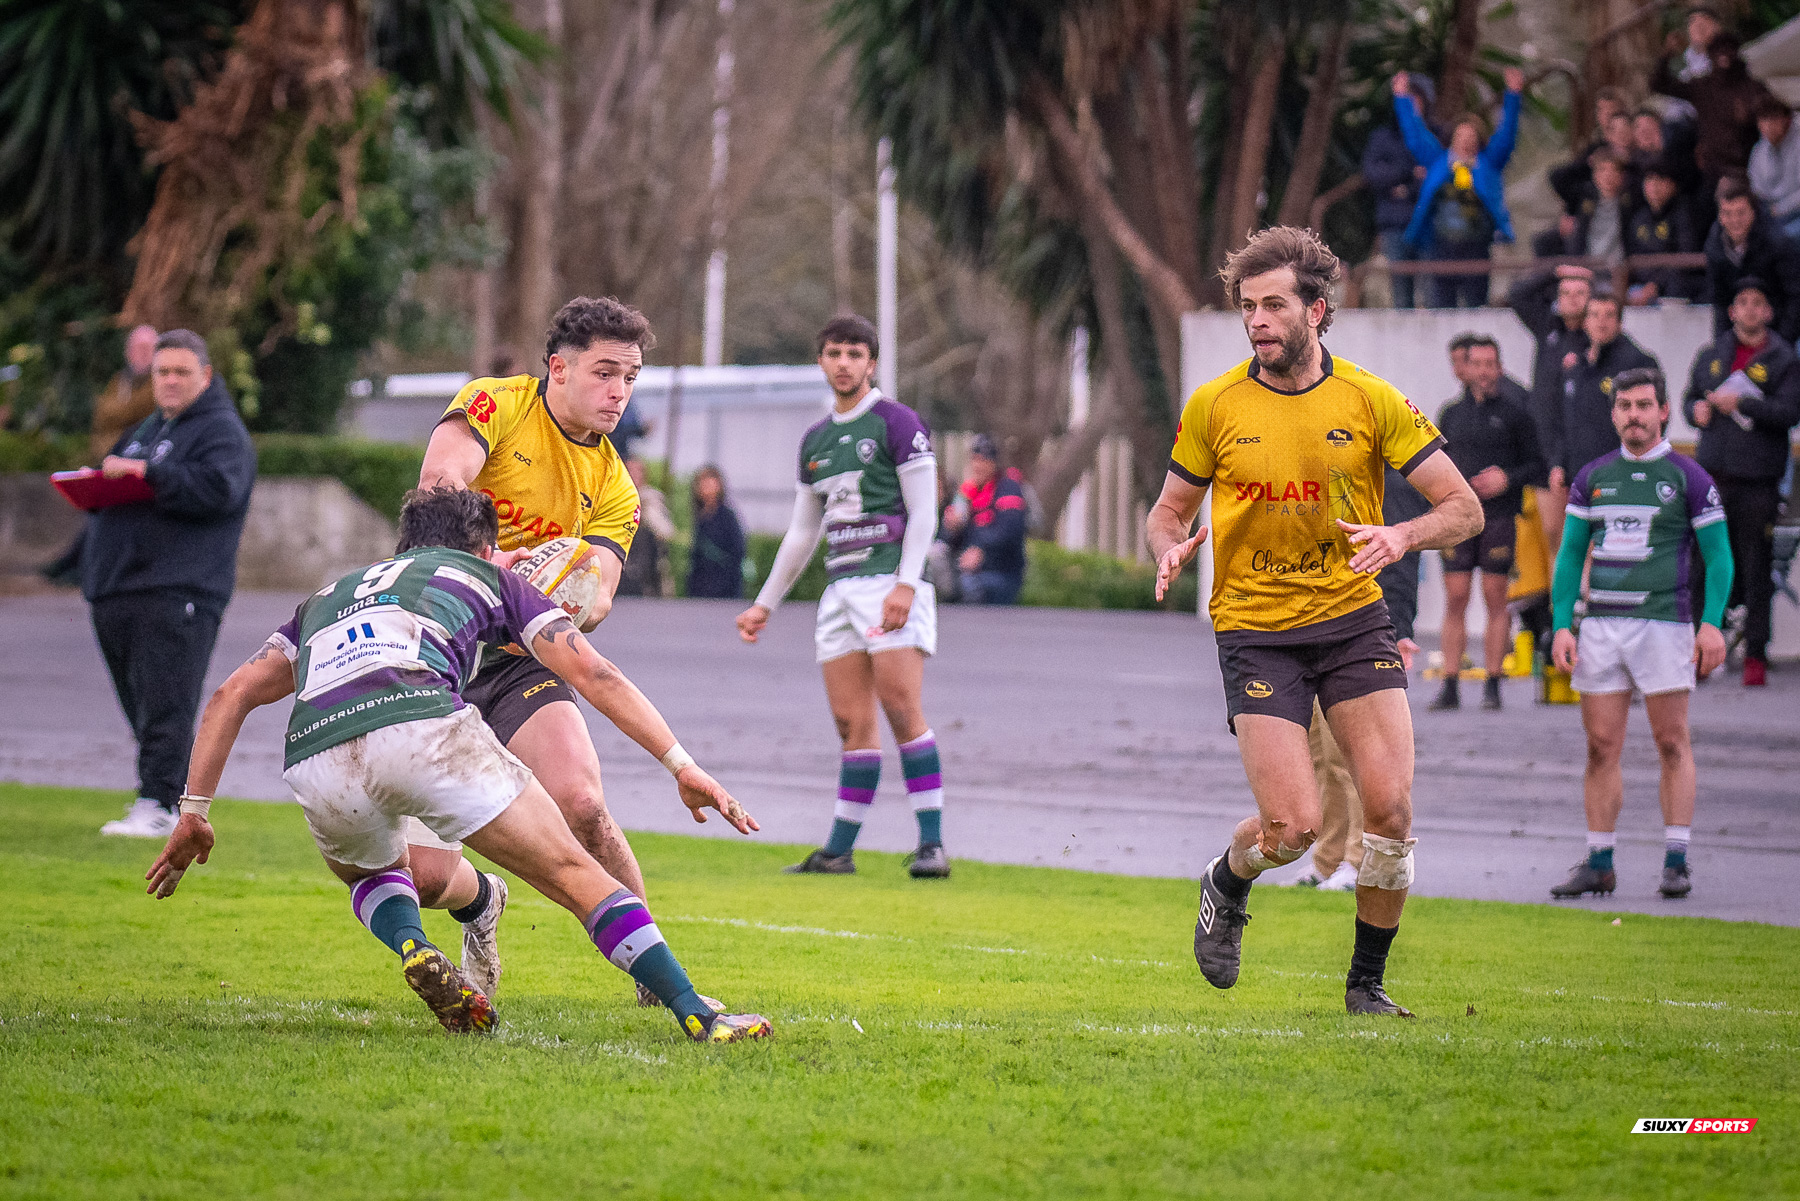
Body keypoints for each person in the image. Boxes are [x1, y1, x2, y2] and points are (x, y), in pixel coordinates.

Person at [144, 486, 772, 1044]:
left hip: (315, 751)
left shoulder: (325, 598)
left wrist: (194, 811)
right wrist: (680, 764)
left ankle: (414, 944)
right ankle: (696, 1012)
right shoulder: (490, 579)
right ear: (483, 546)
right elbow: (595, 672)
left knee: (371, 871)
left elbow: (231, 695)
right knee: (574, 875)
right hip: (422, 727)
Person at [1146, 226, 1483, 1017]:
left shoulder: (1368, 400)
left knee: (1390, 809)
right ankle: (1227, 877)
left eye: (1273, 304)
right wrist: (1168, 550)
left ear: (1316, 310)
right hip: (1256, 629)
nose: (1257, 320)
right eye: (1247, 306)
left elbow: (1463, 507)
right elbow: (1167, 512)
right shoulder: (1216, 404)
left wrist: (1402, 534)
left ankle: (1366, 985)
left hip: (1352, 623)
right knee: (1293, 826)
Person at [411, 296, 653, 1003]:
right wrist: (503, 563)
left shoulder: (614, 484)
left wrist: (569, 590)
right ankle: (480, 898)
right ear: (559, 368)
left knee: (583, 802)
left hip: (521, 658)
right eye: (605, 372)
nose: (619, 392)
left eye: (631, 377)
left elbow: (598, 595)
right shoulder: (496, 405)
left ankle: (651, 965)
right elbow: (439, 487)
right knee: (425, 876)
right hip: (438, 648)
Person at [735, 315, 949, 879]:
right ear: (822, 361)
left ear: (871, 362)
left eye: (856, 353)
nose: (845, 363)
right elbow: (803, 531)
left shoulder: (898, 423)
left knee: (902, 708)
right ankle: (838, 851)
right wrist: (765, 603)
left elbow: (926, 510)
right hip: (840, 591)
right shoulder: (815, 440)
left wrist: (906, 581)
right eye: (834, 353)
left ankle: (932, 845)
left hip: (889, 583)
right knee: (851, 723)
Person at [1548, 368, 1732, 901]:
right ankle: (1600, 861)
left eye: (1644, 405)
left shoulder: (1689, 477)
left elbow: (1719, 558)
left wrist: (1713, 623)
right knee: (1600, 746)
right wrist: (1563, 624)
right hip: (1601, 625)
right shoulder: (1593, 476)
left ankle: (1676, 858)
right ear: (1614, 414)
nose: (1634, 414)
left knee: (1671, 741)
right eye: (1625, 405)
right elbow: (1569, 556)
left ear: (1664, 411)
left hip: (1666, 624)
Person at [84, 330, 256, 838]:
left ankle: (160, 804)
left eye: (182, 372)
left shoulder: (222, 432)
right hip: (119, 588)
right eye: (163, 372)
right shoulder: (145, 430)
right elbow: (112, 486)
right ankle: (164, 795)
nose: (171, 381)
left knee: (168, 702)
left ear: (205, 375)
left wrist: (151, 474)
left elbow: (219, 490)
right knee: (141, 704)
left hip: (179, 590)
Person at [1290, 468, 1429, 892]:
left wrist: (1400, 630)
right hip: (1312, 628)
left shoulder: (1390, 484)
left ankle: (1357, 858)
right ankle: (1327, 858)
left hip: (1363, 636)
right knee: (1318, 753)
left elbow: (1400, 566)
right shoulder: (1329, 479)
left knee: (1352, 756)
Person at [1682, 277, 1800, 686]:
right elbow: (1688, 399)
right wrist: (1695, 409)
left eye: (1757, 303)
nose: (1750, 309)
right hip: (1713, 477)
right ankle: (1700, 648)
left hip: (1759, 480)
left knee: (1755, 567)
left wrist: (1744, 403)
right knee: (1703, 564)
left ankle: (1755, 654)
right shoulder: (1713, 354)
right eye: (1742, 302)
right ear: (1732, 311)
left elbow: (1789, 413)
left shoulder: (1783, 358)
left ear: (1767, 312)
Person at [1429, 334, 1545, 711]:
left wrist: (1507, 479)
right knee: (1456, 596)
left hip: (1497, 517)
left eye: (1489, 364)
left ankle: (1493, 684)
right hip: (1457, 518)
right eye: (1476, 364)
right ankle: (1450, 683)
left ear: (1499, 367)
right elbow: (1435, 463)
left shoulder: (1516, 413)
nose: (1483, 371)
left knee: (1496, 597)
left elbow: (1536, 465)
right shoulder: (1451, 414)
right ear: (1466, 368)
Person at [1392, 68, 1525, 309]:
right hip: (1441, 245)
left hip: (1477, 245)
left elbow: (1507, 136)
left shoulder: (1488, 164)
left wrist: (1513, 96)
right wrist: (1402, 99)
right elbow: (1415, 136)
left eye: (1471, 136)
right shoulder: (1439, 161)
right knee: (1442, 306)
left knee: (1476, 304)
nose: (1465, 140)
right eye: (1461, 135)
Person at [1508, 264, 1592, 553]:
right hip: (1545, 448)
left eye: (1580, 293)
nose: (1573, 299)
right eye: (1565, 292)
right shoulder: (1548, 328)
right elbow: (1517, 295)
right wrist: (1554, 272)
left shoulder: (1597, 339)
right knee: (1555, 534)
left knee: (1588, 535)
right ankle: (1563, 599)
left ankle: (1590, 596)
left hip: (1583, 450)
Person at [1548, 291, 1660, 503]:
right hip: (1580, 477)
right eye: (1595, 315)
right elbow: (1563, 421)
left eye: (1609, 315)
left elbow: (1653, 422)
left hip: (1624, 478)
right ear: (1585, 322)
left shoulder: (1638, 365)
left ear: (1619, 323)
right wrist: (1559, 464)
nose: (1601, 322)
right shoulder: (1576, 368)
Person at [1654, 31, 1773, 201]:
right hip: (1713, 171)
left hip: (1749, 169)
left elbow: (1773, 119)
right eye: (1718, 50)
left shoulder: (1753, 88)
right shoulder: (1703, 87)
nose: (1723, 55)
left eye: (1728, 49)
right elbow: (1660, 85)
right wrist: (1667, 54)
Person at [1361, 75, 1430, 309]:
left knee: (1432, 293)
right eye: (1404, 101)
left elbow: (1437, 175)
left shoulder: (1434, 137)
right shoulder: (1382, 137)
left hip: (1428, 224)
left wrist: (1404, 188)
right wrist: (1410, 173)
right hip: (1395, 223)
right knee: (1401, 294)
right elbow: (1373, 174)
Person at [1703, 175, 1800, 342]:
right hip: (1739, 333)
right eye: (1727, 213)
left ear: (1753, 213)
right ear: (1720, 216)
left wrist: (1780, 345)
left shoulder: (1778, 243)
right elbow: (1719, 301)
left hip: (1781, 331)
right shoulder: (1714, 247)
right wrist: (1723, 345)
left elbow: (1794, 298)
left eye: (1740, 213)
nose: (1734, 220)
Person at [938, 434, 1029, 605]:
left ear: (994, 464)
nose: (977, 466)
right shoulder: (968, 492)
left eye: (983, 460)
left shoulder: (1007, 488)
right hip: (967, 569)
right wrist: (953, 528)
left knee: (969, 586)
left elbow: (1011, 532)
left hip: (1000, 573)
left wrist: (981, 551)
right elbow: (949, 540)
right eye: (975, 460)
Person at [1627, 161, 1704, 304]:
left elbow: (1686, 256)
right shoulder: (1638, 218)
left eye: (1661, 180)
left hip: (1674, 286)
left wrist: (1656, 285)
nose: (1654, 186)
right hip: (1641, 286)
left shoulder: (1684, 214)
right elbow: (1632, 256)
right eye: (1649, 180)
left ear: (1673, 185)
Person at [88, 324, 159, 463]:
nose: (144, 353)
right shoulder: (119, 380)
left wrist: (118, 411)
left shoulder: (160, 382)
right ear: (129, 352)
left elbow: (142, 408)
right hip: (109, 457)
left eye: (149, 348)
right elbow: (101, 415)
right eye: (139, 348)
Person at [686, 465, 747, 599]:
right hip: (700, 587)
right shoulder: (699, 517)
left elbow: (738, 550)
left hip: (725, 587)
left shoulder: (727, 516)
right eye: (703, 484)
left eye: (710, 484)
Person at [616, 457, 673, 598]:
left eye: (638, 471)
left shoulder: (652, 499)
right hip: (620, 565)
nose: (634, 475)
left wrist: (646, 513)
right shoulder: (613, 497)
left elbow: (666, 531)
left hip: (647, 572)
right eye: (630, 471)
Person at [1747, 95, 1800, 240]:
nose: (1767, 127)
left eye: (1773, 120)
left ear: (1785, 119)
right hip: (1771, 213)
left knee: (1783, 238)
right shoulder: (1759, 150)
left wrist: (1781, 208)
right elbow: (1757, 190)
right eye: (1763, 120)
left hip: (1794, 213)